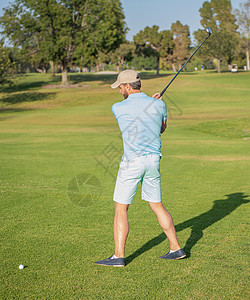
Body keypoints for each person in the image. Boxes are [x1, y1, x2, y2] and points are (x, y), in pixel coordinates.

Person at [95, 70, 186, 267]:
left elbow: (136, 117)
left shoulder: (117, 108)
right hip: (153, 161)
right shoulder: (160, 104)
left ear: (128, 86)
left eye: (120, 87)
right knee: (157, 205)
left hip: (132, 162)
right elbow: (161, 129)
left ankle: (119, 255)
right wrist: (155, 105)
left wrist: (150, 106)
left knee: (121, 208)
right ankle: (175, 248)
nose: (119, 90)